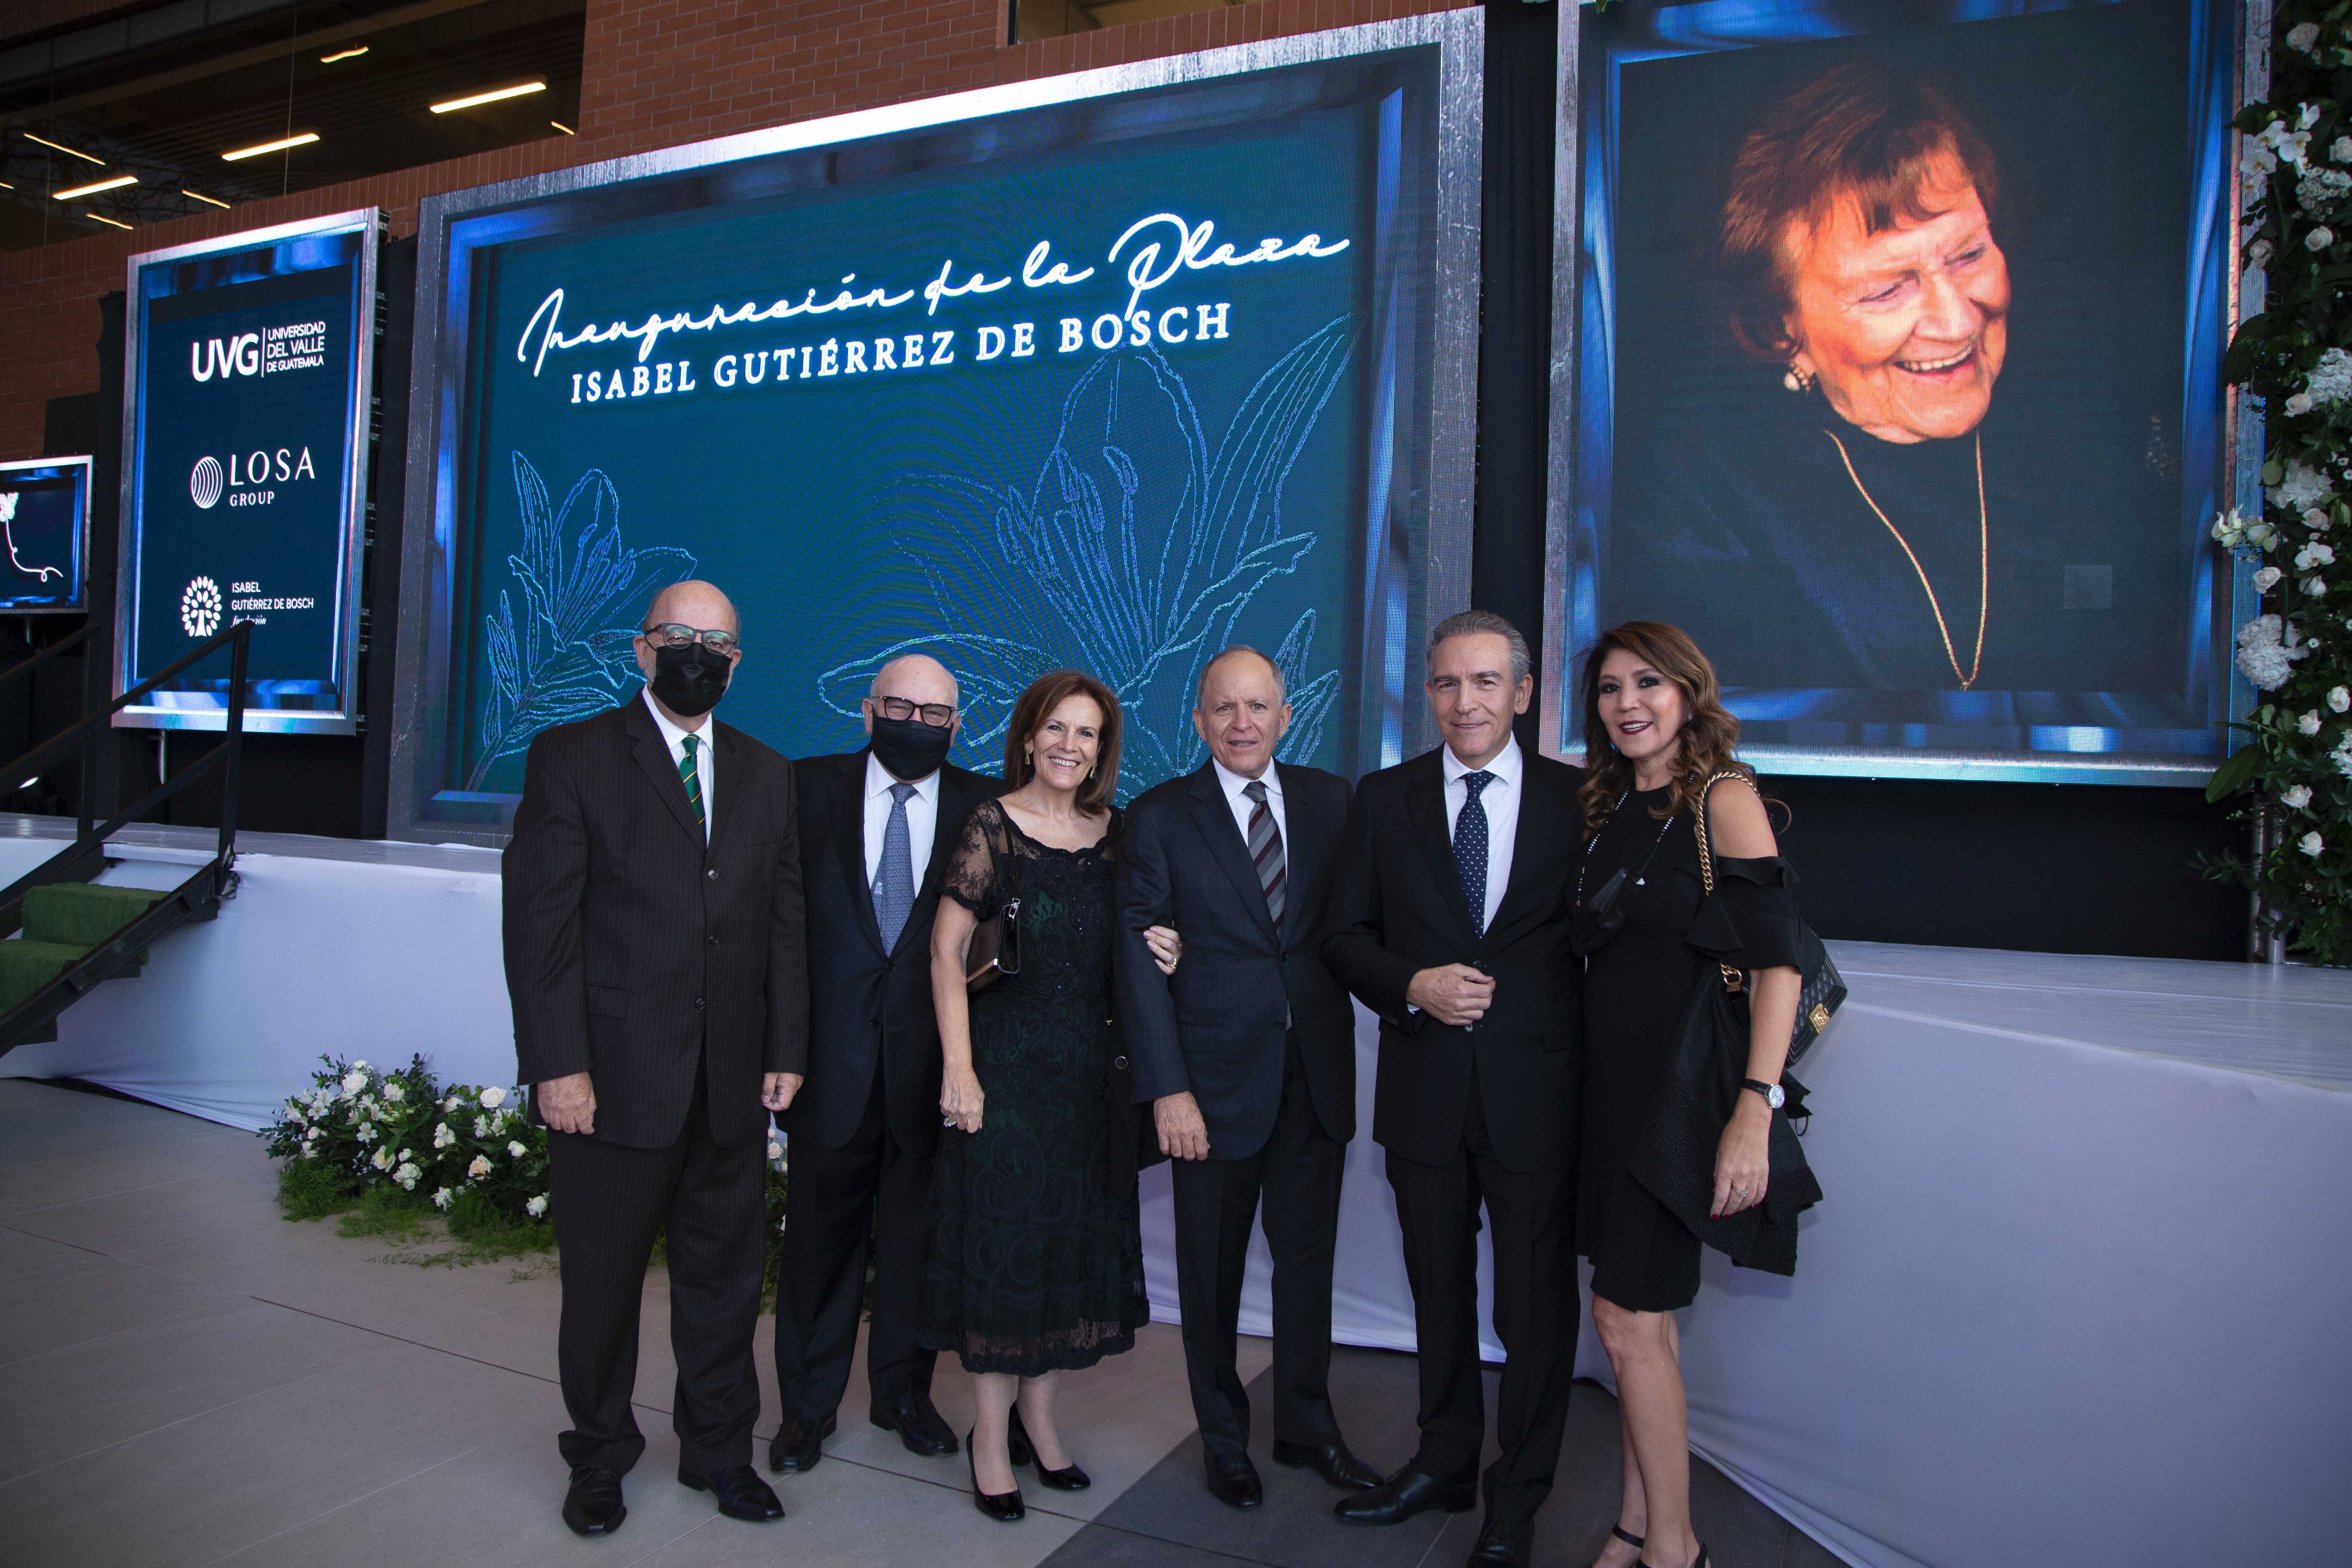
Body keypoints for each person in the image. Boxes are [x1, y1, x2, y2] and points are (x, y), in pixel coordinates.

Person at [1612, 61, 2178, 700]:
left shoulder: (2104, 430)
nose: (1957, 320)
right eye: (1886, 290)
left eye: (1968, 255)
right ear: (1781, 328)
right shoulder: (1701, 497)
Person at [502, 580, 806, 1539]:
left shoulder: (768, 772)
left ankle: (718, 1451)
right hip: (613, 1082)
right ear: (643, 649)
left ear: (738, 663)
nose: (698, 654)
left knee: (724, 1286)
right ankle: (598, 1458)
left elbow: (786, 926)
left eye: (718, 641)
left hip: (728, 1085)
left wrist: (787, 1047)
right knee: (601, 1287)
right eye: (680, 635)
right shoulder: (573, 757)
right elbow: (540, 928)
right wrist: (558, 1064)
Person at [1322, 610, 1586, 1568]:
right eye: (1445, 684)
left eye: (1484, 683)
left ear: (1522, 692)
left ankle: (1516, 1501)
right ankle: (1443, 1461)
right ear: (1425, 693)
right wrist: (1414, 985)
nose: (1463, 702)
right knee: (1438, 1293)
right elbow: (1345, 937)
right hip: (1425, 1092)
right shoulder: (1383, 800)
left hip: (1537, 1099)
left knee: (1533, 1313)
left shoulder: (1579, 799)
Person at [1114, 645, 1378, 1512]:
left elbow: (1356, 925)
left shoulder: (1332, 803)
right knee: (1211, 1275)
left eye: (1258, 706)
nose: (1241, 723)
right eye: (1224, 708)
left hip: (1315, 1080)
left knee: (1307, 1270)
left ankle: (1307, 1430)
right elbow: (1138, 966)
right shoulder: (1156, 818)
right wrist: (1169, 1090)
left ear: (1286, 715)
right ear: (1198, 721)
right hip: (1210, 1091)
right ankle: (1224, 1441)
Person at [1571, 622, 1803, 1568]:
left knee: (1629, 1322)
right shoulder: (1609, 804)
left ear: (1689, 693)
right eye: (1611, 688)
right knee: (1632, 1325)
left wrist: (1756, 1105)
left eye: (1649, 684)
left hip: (1677, 1105)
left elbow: (1778, 963)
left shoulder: (1725, 797)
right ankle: (1635, 1524)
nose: (1628, 703)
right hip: (1603, 1101)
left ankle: (1676, 1549)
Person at [921, 669, 1163, 1522]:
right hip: (1005, 1079)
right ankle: (989, 1439)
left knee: (1067, 1257)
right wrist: (959, 1070)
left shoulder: (1119, 833)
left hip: (1089, 1085)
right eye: (1057, 729)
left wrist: (1161, 944)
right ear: (1029, 736)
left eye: (1088, 734)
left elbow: (1141, 934)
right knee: (1001, 1258)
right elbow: (947, 952)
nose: (1070, 746)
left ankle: (1040, 1420)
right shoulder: (992, 824)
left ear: (1104, 749)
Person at [768, 654, 1000, 1476]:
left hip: (930, 1074)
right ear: (867, 711)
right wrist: (781, 1050)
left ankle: (903, 1395)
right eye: (900, 707)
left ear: (957, 726)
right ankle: (806, 1409)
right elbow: (778, 934)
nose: (916, 724)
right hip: (826, 1070)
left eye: (935, 714)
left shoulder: (985, 805)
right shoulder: (800, 788)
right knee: (817, 1253)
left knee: (915, 1249)